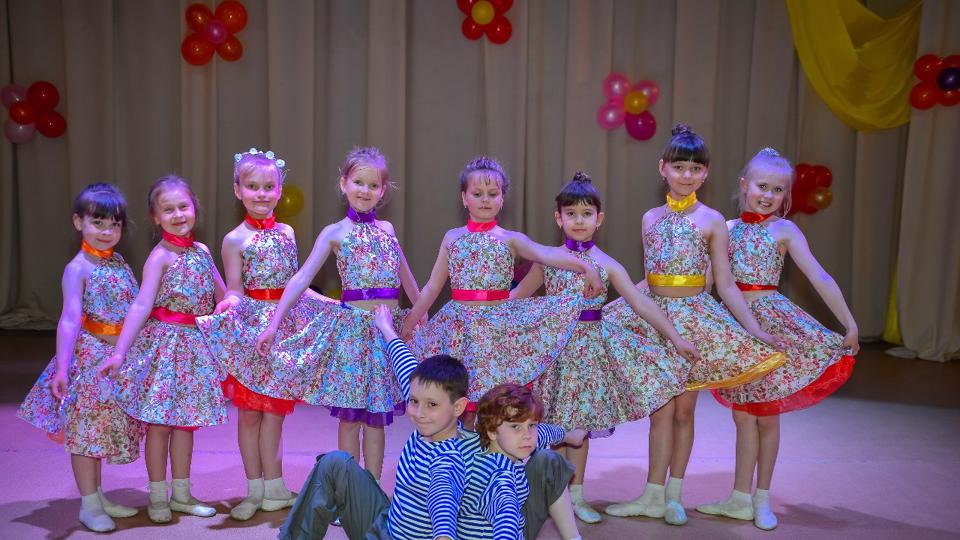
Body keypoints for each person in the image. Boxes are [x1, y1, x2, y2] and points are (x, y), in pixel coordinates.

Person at [697, 147, 858, 530]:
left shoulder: (784, 230)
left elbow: (819, 276)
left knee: (767, 417)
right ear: (744, 185)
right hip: (737, 328)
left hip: (773, 328)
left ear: (786, 195)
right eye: (762, 186)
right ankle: (739, 498)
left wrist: (849, 323)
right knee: (742, 416)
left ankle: (762, 497)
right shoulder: (725, 228)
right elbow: (705, 282)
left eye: (777, 189)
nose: (768, 195)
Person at [98, 175, 227, 523]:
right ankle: (157, 495)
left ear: (195, 208)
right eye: (168, 210)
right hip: (164, 349)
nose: (178, 214)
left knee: (186, 424)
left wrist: (237, 307)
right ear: (155, 217)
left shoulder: (202, 252)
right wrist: (120, 351)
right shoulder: (160, 257)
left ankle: (181, 494)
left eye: (183, 206)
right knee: (159, 425)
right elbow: (142, 305)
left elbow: (223, 296)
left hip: (195, 348)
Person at [18, 183, 143, 532]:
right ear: (78, 222)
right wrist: (62, 368)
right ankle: (89, 505)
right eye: (98, 223)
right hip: (90, 362)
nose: (107, 231)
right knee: (86, 435)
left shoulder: (118, 262)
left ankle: (98, 496)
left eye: (114, 224)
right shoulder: (78, 268)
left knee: (100, 432)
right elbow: (70, 319)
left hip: (115, 360)